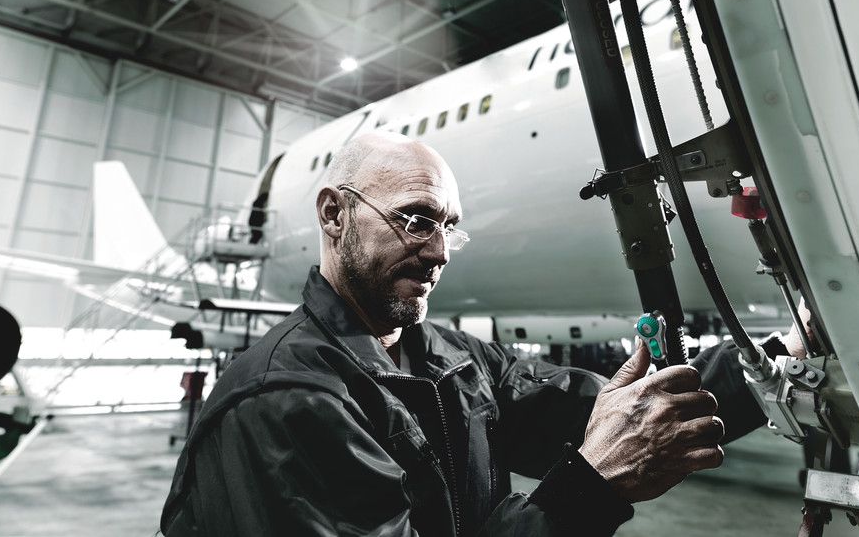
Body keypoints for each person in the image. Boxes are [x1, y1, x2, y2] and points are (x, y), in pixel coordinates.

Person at [161, 132, 795, 536]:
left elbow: (612, 411)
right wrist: (587, 490)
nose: (440, 253)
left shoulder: (454, 359)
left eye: (449, 228)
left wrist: (780, 355)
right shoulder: (286, 399)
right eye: (416, 220)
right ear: (334, 214)